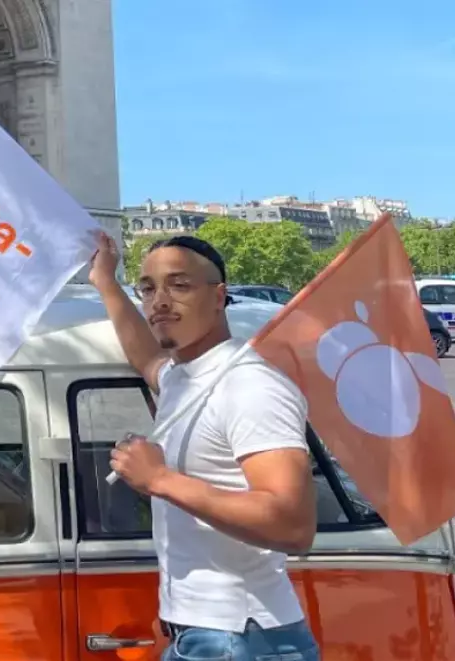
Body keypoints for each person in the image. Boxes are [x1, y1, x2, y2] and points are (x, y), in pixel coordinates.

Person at [90, 232, 320, 661]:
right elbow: (146, 357)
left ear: (219, 296)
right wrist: (105, 281)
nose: (159, 300)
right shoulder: (184, 376)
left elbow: (293, 526)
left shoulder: (251, 385)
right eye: (148, 287)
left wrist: (159, 479)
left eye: (179, 285)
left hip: (243, 637)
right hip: (205, 634)